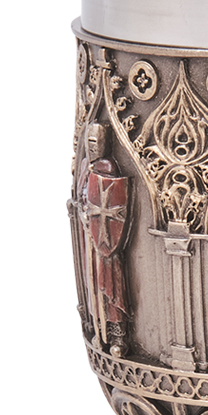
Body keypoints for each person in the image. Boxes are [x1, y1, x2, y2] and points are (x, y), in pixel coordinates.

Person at [77, 122, 130, 356]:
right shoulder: (85, 167)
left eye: (96, 142)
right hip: (90, 238)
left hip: (106, 243)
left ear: (106, 143)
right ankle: (101, 330)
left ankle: (118, 334)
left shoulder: (108, 168)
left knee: (111, 286)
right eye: (89, 141)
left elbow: (114, 208)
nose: (92, 147)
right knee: (95, 285)